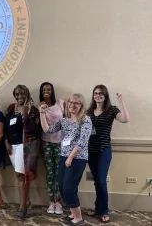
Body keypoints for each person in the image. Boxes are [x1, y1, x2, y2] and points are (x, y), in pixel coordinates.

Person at [40, 94, 92, 226]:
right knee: (62, 187)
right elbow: (48, 129)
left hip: (77, 158)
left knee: (69, 188)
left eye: (77, 103)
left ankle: (79, 218)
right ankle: (73, 214)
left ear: (82, 105)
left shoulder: (85, 120)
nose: (72, 105)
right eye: (71, 102)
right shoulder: (64, 120)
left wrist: (70, 158)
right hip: (63, 156)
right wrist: (42, 113)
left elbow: (82, 142)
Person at [86, 85, 129, 223]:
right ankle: (98, 207)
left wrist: (121, 102)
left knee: (101, 181)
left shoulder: (111, 110)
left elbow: (125, 119)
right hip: (90, 151)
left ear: (105, 96)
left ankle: (104, 211)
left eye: (101, 94)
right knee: (97, 182)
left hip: (104, 150)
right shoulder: (89, 111)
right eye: (96, 93)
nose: (98, 96)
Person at [4, 85, 42, 220]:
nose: (20, 97)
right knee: (19, 175)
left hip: (26, 146)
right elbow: (6, 128)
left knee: (22, 176)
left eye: (22, 94)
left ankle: (22, 208)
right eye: (17, 94)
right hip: (12, 148)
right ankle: (25, 202)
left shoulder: (33, 110)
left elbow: (34, 129)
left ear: (27, 94)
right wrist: (6, 142)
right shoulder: (11, 109)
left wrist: (25, 116)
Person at [38, 82, 64, 214]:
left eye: (48, 89)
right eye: (44, 90)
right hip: (46, 142)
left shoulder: (60, 103)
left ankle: (58, 202)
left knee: (59, 172)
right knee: (49, 172)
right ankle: (51, 202)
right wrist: (41, 110)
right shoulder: (40, 107)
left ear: (52, 91)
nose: (46, 91)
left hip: (60, 142)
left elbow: (67, 121)